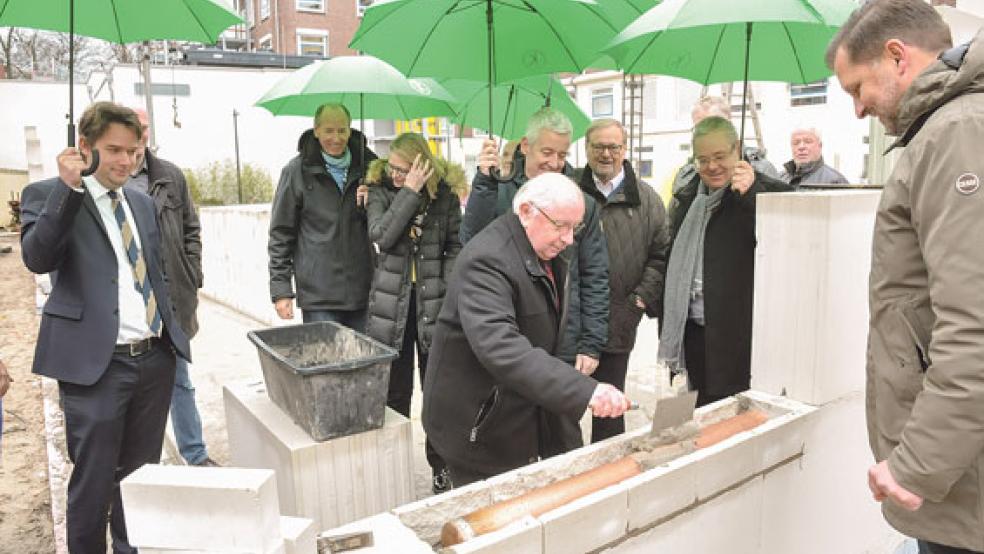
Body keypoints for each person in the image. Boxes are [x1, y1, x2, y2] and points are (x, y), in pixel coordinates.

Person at [828, 2, 984, 552]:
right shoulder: (949, 129)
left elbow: (974, 325)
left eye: (856, 88)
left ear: (897, 56)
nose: (857, 109)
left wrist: (916, 467)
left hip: (960, 483)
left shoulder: (957, 132)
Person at [19, 102, 190, 554]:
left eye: (134, 151)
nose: (125, 161)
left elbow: (155, 271)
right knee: (94, 483)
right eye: (113, 149)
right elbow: (38, 258)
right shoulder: (47, 194)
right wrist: (67, 190)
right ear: (84, 147)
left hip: (153, 359)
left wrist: (172, 332)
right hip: (95, 367)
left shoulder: (140, 200)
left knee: (138, 480)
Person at [422, 173, 630, 486]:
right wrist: (586, 390)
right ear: (526, 211)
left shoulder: (545, 250)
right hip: (479, 425)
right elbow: (503, 348)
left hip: (525, 408)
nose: (569, 239)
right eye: (560, 225)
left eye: (575, 227)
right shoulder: (487, 259)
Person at [460, 107, 609, 454]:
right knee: (513, 430)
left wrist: (591, 342)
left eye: (562, 154)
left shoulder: (580, 202)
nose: (555, 162)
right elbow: (471, 241)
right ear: (526, 146)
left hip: (563, 335)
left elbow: (595, 275)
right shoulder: (500, 192)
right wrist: (483, 179)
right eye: (547, 152)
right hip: (515, 327)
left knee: (563, 434)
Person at [658, 116, 790, 408]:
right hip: (694, 333)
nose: (712, 167)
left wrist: (752, 195)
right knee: (701, 413)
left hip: (737, 339)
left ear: (738, 150)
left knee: (735, 420)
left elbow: (785, 245)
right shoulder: (688, 196)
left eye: (720, 157)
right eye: (703, 159)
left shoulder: (767, 191)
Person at [364, 132, 466, 494]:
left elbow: (456, 244)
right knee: (394, 396)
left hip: (433, 306)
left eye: (404, 169)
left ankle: (441, 471)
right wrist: (408, 191)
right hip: (392, 308)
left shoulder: (445, 198)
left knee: (437, 395)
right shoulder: (378, 191)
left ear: (422, 166)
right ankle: (391, 476)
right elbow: (382, 235)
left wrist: (447, 282)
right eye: (393, 167)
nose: (396, 174)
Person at [125, 108, 215, 467]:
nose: (141, 134)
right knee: (137, 388)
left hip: (173, 297)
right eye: (135, 128)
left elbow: (191, 228)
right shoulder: (106, 177)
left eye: (145, 127)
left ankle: (195, 455)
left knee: (180, 381)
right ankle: (145, 464)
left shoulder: (169, 176)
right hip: (131, 301)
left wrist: (192, 274)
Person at [574, 119, 669, 443]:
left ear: (624, 150)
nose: (606, 153)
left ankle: (608, 483)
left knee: (610, 412)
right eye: (598, 146)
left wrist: (639, 301)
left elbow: (660, 256)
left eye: (614, 146)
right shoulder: (568, 190)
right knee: (563, 411)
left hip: (620, 318)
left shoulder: (647, 200)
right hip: (569, 321)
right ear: (586, 149)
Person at [268, 103, 377, 329]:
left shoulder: (371, 168)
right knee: (328, 365)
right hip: (319, 296)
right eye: (328, 130)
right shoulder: (296, 171)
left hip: (363, 291)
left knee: (363, 364)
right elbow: (281, 234)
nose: (336, 138)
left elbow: (385, 221)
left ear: (350, 130)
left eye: (342, 130)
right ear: (316, 131)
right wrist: (281, 291)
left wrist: (372, 199)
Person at [660, 95, 779, 205]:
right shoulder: (685, 175)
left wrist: (752, 192)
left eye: (714, 125)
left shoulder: (761, 170)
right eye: (699, 128)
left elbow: (776, 220)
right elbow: (672, 223)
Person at [778, 127, 849, 188]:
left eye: (808, 141)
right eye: (796, 143)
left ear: (820, 145)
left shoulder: (835, 181)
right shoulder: (779, 179)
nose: (801, 147)